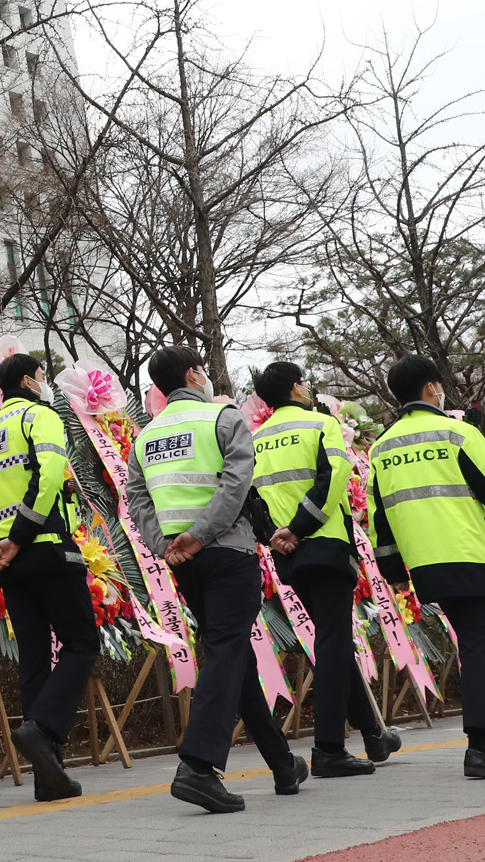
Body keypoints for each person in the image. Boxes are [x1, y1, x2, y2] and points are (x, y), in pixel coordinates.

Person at [126, 345, 305, 814]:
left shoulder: (145, 438)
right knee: (227, 650)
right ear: (193, 374)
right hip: (226, 553)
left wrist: (168, 543)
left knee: (234, 656)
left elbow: (137, 500)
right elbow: (236, 485)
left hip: (184, 562)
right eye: (202, 369)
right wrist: (201, 536)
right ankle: (199, 768)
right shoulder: (222, 417)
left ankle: (283, 764)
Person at [368, 355, 485, 779]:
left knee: (476, 643)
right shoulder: (458, 432)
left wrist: (393, 570)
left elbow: (379, 516)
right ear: (433, 388)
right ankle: (478, 748)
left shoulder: (382, 447)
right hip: (467, 553)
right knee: (475, 645)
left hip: (424, 564)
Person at [248, 362, 404, 777]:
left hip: (287, 555)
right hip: (325, 545)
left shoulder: (256, 439)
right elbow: (333, 477)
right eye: (305, 381)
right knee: (333, 643)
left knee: (330, 640)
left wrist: (276, 536)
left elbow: (251, 499)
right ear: (297, 387)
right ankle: (330, 748)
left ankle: (372, 732)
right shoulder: (321, 424)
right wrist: (300, 528)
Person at [0, 352, 98, 802]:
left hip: (10, 568)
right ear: (27, 380)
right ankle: (42, 730)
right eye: (42, 375)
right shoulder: (40, 417)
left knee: (35, 659)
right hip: (48, 552)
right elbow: (50, 475)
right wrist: (18, 538)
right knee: (81, 644)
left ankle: (47, 777)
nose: (46, 382)